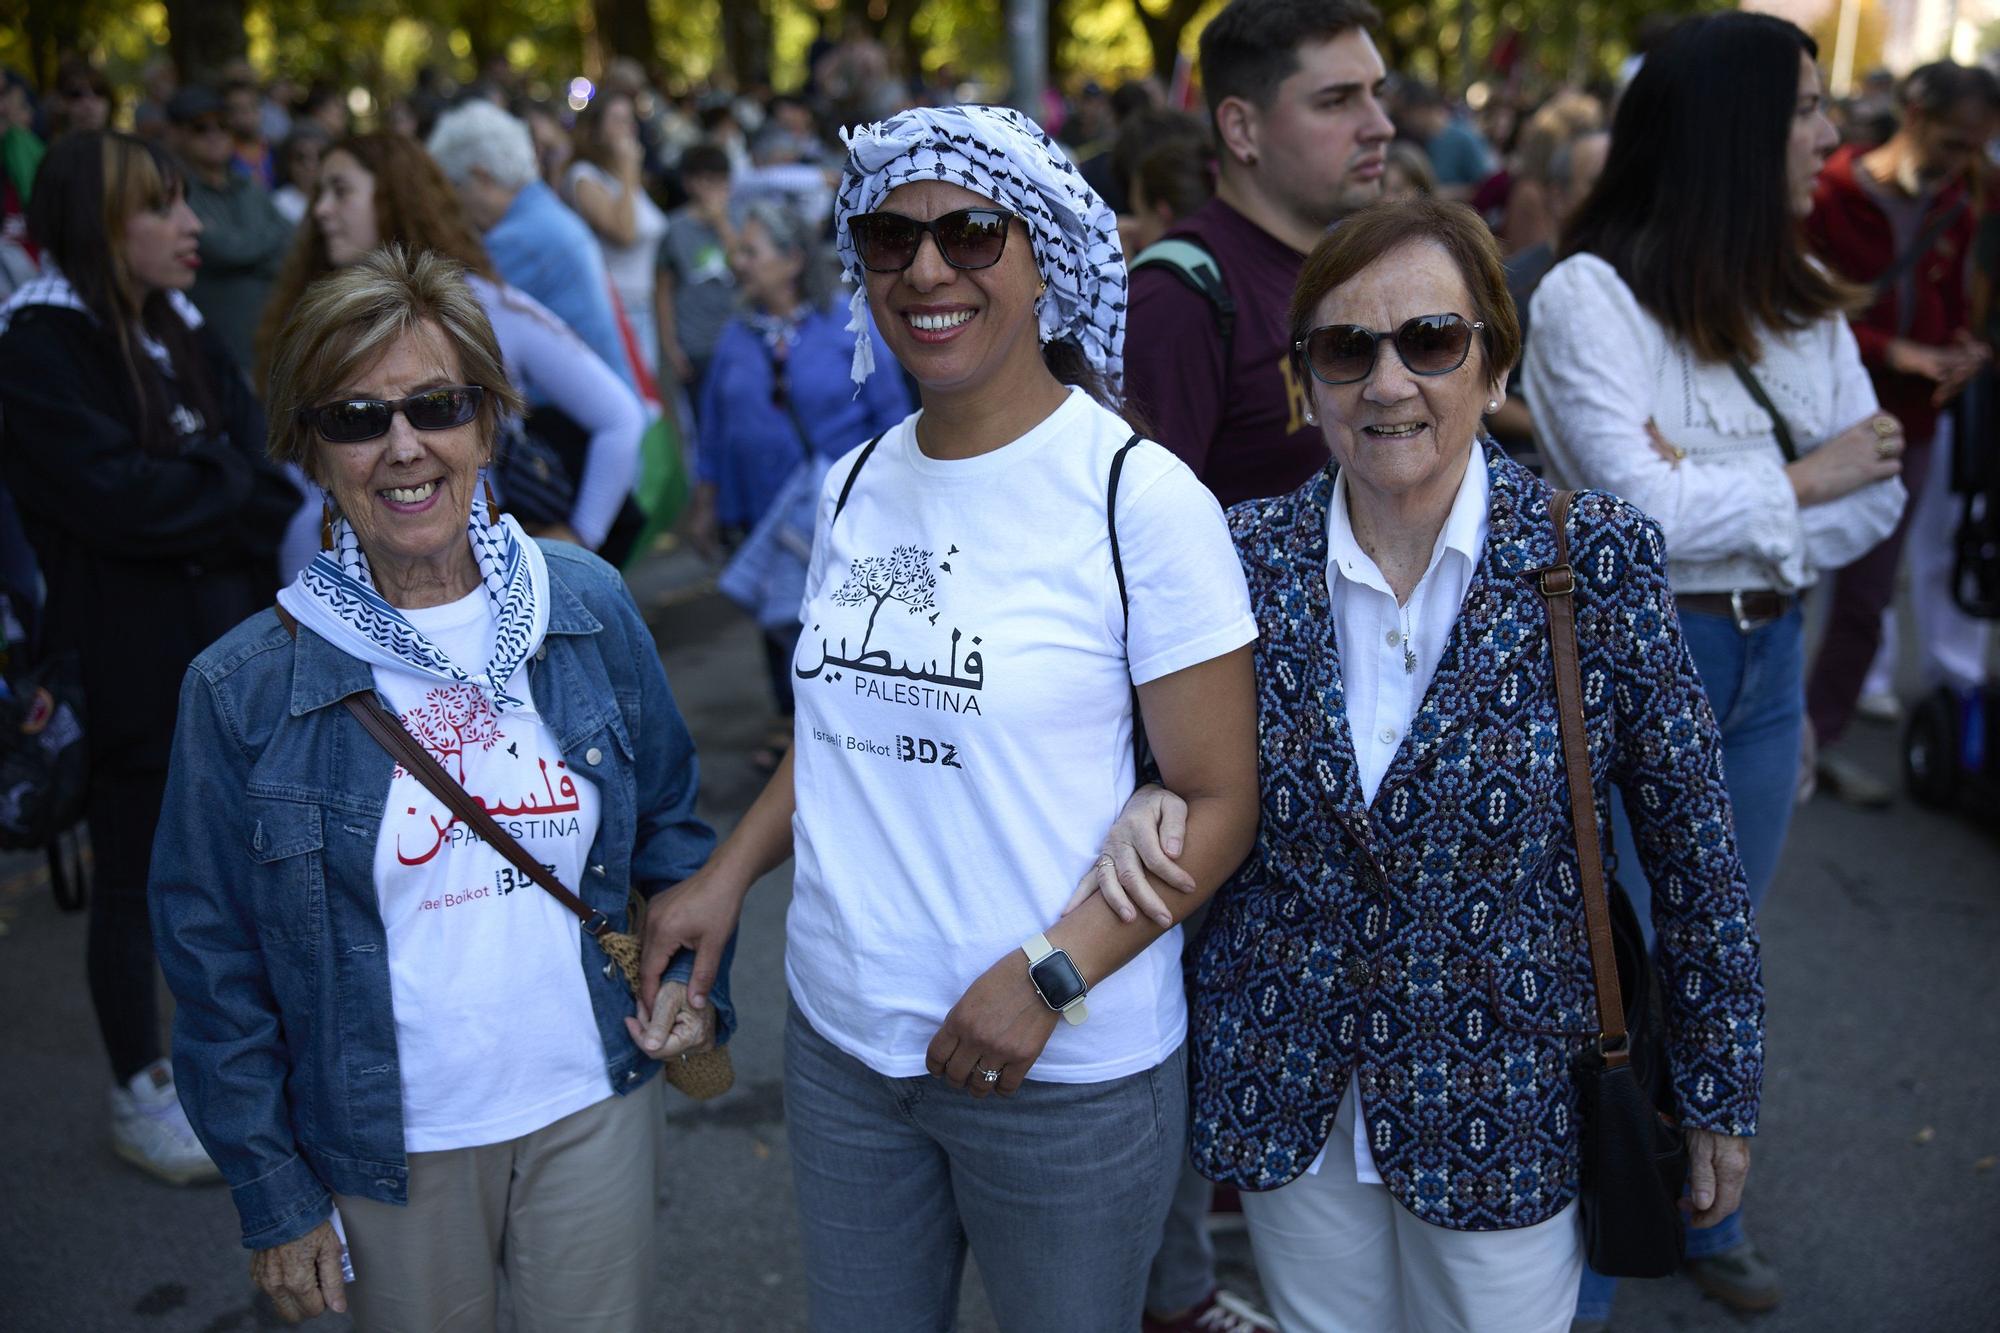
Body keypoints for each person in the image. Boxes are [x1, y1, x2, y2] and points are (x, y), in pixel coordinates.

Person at [1092, 195, 1766, 1333]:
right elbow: (1156, 757)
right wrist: (1144, 798)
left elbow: (1693, 848)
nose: (1388, 382)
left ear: (1493, 369)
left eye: (1431, 341)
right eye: (1347, 348)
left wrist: (1717, 1087)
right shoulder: (1233, 556)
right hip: (1285, 1074)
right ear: (1304, 379)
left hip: (1503, 1090)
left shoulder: (1588, 558)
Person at [641, 103, 1261, 1332]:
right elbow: (837, 729)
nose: (927, 268)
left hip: (1060, 1064)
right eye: (888, 237)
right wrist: (727, 875)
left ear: (1045, 260)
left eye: (972, 232)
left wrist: (1046, 978)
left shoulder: (1138, 498)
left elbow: (1216, 801)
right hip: (844, 1043)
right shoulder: (856, 482)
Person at [150, 246, 728, 1329]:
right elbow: (210, 962)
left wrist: (693, 985)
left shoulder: (587, 605)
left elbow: (671, 837)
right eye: (357, 417)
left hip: (587, 1102)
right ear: (312, 452)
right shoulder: (242, 685)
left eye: (437, 405)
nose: (403, 446)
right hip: (388, 1147)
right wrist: (275, 1197)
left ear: (489, 424)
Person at [1525, 14, 1906, 1321]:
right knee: (1616, 973)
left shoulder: (1793, 295)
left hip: (1766, 645)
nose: (1831, 135)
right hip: (1647, 652)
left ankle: (1707, 1205)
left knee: (1720, 947)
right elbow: (1633, 518)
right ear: (1737, 133)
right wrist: (1801, 478)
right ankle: (1579, 1272)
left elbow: (1883, 493)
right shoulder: (1590, 298)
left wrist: (1728, 494)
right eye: (1805, 109)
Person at [0, 132, 299, 1187]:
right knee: (137, 877)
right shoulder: (39, 342)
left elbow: (259, 470)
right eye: (163, 209)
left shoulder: (175, 320)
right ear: (100, 226)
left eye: (186, 204)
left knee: (245, 859)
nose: (193, 228)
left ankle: (245, 1063)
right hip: (120, 664)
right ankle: (140, 1085)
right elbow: (117, 499)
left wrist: (196, 494)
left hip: (226, 636)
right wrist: (204, 492)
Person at [256, 132, 643, 560]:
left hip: (471, 580)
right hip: (337, 589)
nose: (322, 210)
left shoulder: (478, 306)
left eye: (341, 191)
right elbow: (308, 500)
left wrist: (577, 543)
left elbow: (621, 417)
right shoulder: (311, 324)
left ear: (394, 195)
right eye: (353, 415)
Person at [1802, 60, 1998, 804]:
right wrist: (1896, 350)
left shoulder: (1957, 201)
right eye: (1953, 142)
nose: (1962, 161)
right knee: (1776, 579)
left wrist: (1965, 350)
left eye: (1975, 146)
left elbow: (1949, 307)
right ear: (1913, 113)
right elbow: (1802, 310)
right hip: (1820, 418)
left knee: (1867, 594)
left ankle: (1817, 742)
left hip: (1906, 427)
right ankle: (1733, 737)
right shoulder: (1828, 191)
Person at [1125, 0, 1394, 511]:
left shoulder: (1350, 268)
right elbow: (1142, 544)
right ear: (1241, 129)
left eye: (1377, 94)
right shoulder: (1177, 301)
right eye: (1336, 101)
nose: (1380, 126)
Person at [694, 199, 910, 770]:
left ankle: (847, 724)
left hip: (839, 508)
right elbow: (714, 424)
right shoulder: (736, 337)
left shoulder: (848, 327)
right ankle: (792, 720)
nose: (739, 262)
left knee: (838, 615)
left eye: (751, 250)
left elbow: (891, 417)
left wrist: (891, 497)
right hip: (759, 506)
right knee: (777, 614)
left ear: (791, 260)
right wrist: (705, 497)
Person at [426, 99, 634, 390]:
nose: (452, 204)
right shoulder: (541, 211)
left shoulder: (518, 239)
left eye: (454, 187)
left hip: (575, 421)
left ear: (482, 178)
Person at [167, 85, 293, 369]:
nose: (215, 135)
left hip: (271, 342)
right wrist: (265, 246)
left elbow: (293, 241)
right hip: (216, 350)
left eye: (223, 126)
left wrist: (251, 251)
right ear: (177, 134)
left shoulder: (249, 186)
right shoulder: (176, 192)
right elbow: (224, 250)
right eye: (201, 128)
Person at [566, 90, 670, 379]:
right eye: (618, 120)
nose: (629, 129)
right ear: (596, 130)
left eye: (630, 120)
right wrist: (628, 168)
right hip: (617, 309)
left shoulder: (624, 178)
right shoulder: (584, 177)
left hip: (644, 307)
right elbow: (624, 233)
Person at [655, 141, 736, 395]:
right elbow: (663, 291)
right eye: (704, 181)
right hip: (696, 345)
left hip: (738, 338)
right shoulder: (674, 228)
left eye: (719, 181)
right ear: (688, 183)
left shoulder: (740, 220)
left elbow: (745, 268)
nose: (712, 190)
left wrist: (722, 224)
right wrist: (671, 347)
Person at [269, 122, 327, 224]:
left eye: (319, 157)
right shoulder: (277, 204)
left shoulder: (337, 199)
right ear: (287, 163)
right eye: (300, 158)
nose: (309, 166)